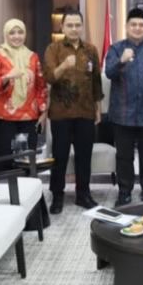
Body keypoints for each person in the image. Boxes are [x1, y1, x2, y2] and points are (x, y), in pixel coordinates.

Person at [106, 7, 143, 207]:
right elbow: (109, 73)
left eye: (141, 25)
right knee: (124, 157)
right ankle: (124, 192)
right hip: (123, 113)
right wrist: (121, 61)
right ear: (126, 27)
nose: (138, 28)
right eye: (133, 24)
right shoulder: (116, 48)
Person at [43, 11, 103, 213]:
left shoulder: (91, 50)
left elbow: (96, 81)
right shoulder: (53, 49)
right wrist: (63, 66)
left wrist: (98, 108)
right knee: (59, 156)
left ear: (82, 26)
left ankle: (83, 194)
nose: (74, 29)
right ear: (62, 27)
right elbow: (49, 77)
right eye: (70, 25)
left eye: (77, 25)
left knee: (84, 156)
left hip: (86, 112)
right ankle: (57, 196)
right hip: (61, 113)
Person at [0, 19, 47, 173]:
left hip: (29, 116)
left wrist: (43, 110)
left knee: (27, 161)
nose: (16, 36)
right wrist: (7, 77)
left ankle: (28, 189)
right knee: (4, 160)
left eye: (20, 32)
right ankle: (4, 189)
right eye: (12, 33)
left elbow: (41, 86)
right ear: (5, 34)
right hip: (2, 117)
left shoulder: (33, 57)